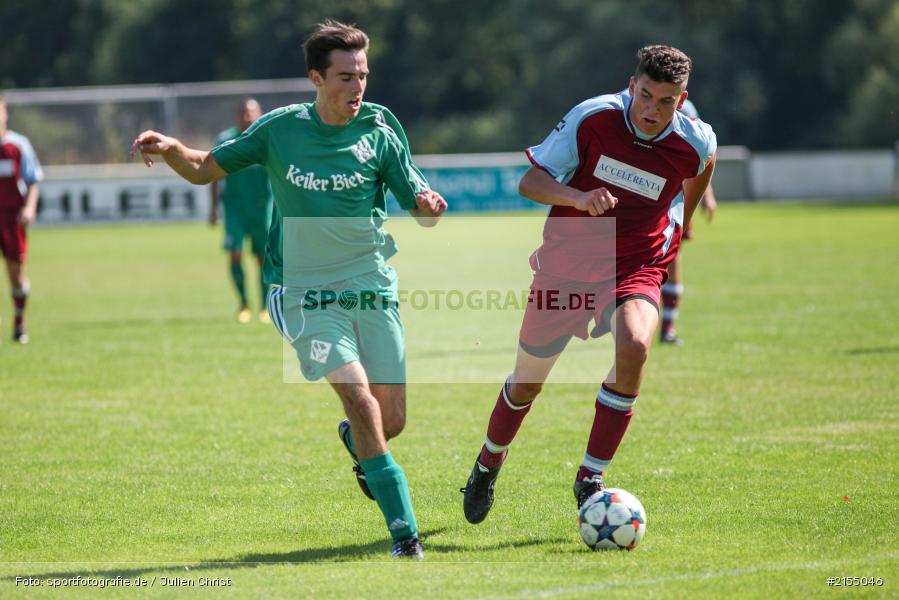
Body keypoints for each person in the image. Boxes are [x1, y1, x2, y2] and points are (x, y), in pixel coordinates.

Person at [131, 21, 447, 559]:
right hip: (304, 292)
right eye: (345, 77)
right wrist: (173, 148)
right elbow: (205, 169)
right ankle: (405, 535)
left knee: (389, 419)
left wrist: (428, 206)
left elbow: (418, 203)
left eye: (363, 75)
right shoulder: (280, 130)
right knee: (359, 398)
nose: (358, 86)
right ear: (316, 79)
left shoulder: (380, 129)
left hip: (371, 283)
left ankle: (358, 442)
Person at [460, 45, 717, 523]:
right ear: (632, 85)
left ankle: (590, 478)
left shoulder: (696, 141)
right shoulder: (593, 118)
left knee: (635, 345)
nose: (652, 110)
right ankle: (487, 463)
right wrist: (577, 198)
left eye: (666, 101)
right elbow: (531, 183)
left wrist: (679, 219)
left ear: (682, 101)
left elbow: (702, 169)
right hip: (569, 263)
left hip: (636, 264)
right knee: (527, 384)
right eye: (645, 96)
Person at [209, 99, 274, 323]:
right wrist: (213, 208)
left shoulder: (266, 139)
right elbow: (213, 174)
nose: (247, 117)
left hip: (261, 210)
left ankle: (265, 306)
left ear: (260, 115)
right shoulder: (226, 141)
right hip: (234, 209)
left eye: (252, 113)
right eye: (244, 113)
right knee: (235, 254)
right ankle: (244, 304)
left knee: (262, 258)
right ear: (237, 116)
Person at [659, 98, 718, 345]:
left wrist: (707, 196)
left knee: (673, 260)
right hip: (648, 200)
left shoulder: (688, 113)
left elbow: (701, 161)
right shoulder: (644, 111)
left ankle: (668, 327)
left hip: (676, 204)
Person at [0, 94, 43, 345]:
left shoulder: (18, 145)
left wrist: (30, 207)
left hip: (11, 218)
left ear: (5, 113)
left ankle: (19, 320)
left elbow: (33, 179)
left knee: (16, 275)